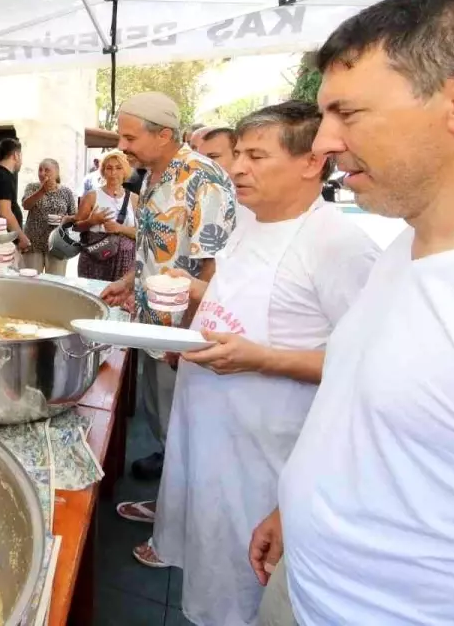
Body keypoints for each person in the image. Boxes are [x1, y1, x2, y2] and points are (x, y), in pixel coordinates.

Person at [250, 0, 454, 626]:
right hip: (301, 582)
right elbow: (368, 404)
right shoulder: (407, 248)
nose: (324, 142)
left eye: (348, 114)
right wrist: (295, 508)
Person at [135, 102, 380, 626]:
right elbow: (235, 299)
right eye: (238, 154)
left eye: (255, 156)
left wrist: (261, 359)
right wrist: (190, 290)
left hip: (266, 451)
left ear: (311, 162)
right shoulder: (247, 221)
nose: (237, 168)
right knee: (207, 558)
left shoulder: (337, 244)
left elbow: (366, 365)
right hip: (210, 430)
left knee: (243, 581)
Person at [100, 92, 236, 488]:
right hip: (153, 325)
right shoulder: (151, 177)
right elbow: (153, 245)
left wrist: (189, 341)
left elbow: (212, 267)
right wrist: (128, 283)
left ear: (162, 135)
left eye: (129, 138)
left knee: (188, 429)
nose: (122, 147)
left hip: (183, 334)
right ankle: (169, 497)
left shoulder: (203, 178)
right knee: (161, 417)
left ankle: (181, 516)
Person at [73, 150, 138, 282]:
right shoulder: (92, 196)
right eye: (109, 168)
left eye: (118, 168)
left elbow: (142, 234)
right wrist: (92, 221)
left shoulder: (134, 199)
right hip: (95, 258)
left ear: (125, 171)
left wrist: (120, 228)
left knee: (118, 300)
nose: (113, 173)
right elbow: (76, 227)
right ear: (103, 171)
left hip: (124, 262)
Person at [20, 159, 77, 275]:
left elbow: (74, 216)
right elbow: (26, 205)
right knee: (32, 281)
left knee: (56, 282)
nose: (42, 173)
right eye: (40, 170)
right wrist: (42, 191)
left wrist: (66, 219)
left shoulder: (66, 192)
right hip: (34, 243)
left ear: (56, 173)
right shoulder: (32, 187)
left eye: (47, 170)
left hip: (58, 244)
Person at [0, 138, 31, 254]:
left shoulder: (0, 175)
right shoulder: (2, 177)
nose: (21, 161)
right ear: (16, 155)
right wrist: (22, 237)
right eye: (21, 156)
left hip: (3, 241)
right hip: (2, 243)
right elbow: (5, 212)